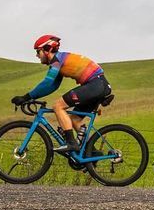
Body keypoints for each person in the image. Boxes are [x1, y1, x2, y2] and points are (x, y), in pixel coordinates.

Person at [10, 35, 112, 163]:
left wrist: (26, 97)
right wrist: (30, 97)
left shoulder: (57, 61)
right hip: (98, 85)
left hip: (95, 85)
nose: (37, 55)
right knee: (74, 119)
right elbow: (52, 86)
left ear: (47, 49)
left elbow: (47, 82)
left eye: (38, 51)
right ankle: (91, 151)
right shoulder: (60, 61)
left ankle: (71, 143)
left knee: (58, 106)